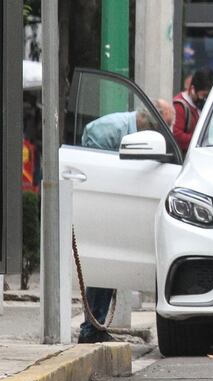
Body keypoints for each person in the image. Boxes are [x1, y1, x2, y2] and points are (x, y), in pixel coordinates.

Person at [78, 100, 175, 344]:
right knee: (104, 268)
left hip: (114, 203)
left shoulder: (134, 132)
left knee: (110, 271)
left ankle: (95, 325)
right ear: (150, 124)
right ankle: (91, 327)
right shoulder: (109, 129)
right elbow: (99, 170)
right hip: (102, 201)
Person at [172, 67, 213, 154]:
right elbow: (177, 136)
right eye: (204, 95)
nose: (206, 99)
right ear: (193, 89)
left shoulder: (203, 106)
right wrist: (202, 139)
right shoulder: (180, 106)